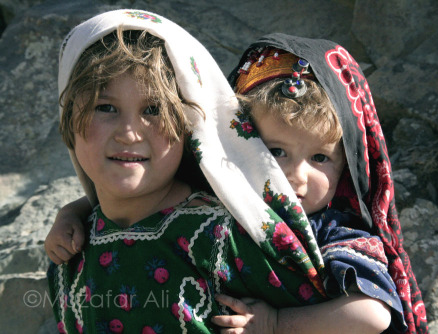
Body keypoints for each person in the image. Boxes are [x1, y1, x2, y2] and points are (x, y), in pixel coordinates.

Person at [48, 9, 398, 334]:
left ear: (192, 127)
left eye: (153, 109)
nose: (129, 133)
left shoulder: (227, 240)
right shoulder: (69, 253)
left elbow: (366, 317)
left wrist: (274, 323)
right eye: (105, 107)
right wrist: (74, 211)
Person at [220, 34, 429, 334]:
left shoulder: (335, 234)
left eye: (320, 157)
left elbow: (373, 314)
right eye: (276, 151)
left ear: (345, 169)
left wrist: (276, 323)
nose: (297, 175)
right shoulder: (212, 211)